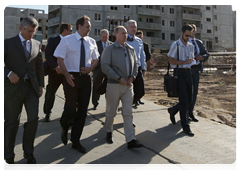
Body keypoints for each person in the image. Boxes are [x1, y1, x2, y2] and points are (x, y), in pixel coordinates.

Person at [54, 15, 99, 153]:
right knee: (71, 108)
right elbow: (59, 60)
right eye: (87, 27)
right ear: (79, 26)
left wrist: (90, 69)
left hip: (85, 79)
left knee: (83, 111)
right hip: (71, 77)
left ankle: (75, 140)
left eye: (90, 27)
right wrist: (67, 75)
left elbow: (96, 59)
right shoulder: (67, 40)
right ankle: (65, 125)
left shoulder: (91, 41)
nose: (89, 29)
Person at [4, 17, 44, 169]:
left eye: (33, 32)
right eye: (29, 31)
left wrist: (40, 84)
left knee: (33, 119)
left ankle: (29, 151)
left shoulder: (36, 43)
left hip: (31, 89)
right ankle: (8, 155)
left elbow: (39, 66)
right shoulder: (7, 43)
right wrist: (8, 73)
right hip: (13, 89)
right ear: (21, 28)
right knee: (11, 122)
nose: (31, 35)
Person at [101, 25, 143, 149]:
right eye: (123, 33)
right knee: (111, 112)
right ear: (116, 35)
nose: (125, 35)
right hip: (114, 85)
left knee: (128, 113)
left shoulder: (130, 49)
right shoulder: (110, 49)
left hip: (128, 87)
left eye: (126, 33)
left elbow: (136, 65)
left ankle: (131, 139)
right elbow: (104, 66)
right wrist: (118, 78)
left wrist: (132, 77)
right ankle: (109, 131)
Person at [167, 24, 210, 123]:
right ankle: (185, 120)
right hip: (183, 70)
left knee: (193, 94)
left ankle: (187, 112)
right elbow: (172, 60)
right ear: (183, 33)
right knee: (184, 96)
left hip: (195, 69)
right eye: (189, 34)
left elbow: (206, 54)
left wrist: (202, 58)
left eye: (193, 31)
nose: (191, 35)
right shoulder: (180, 43)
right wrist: (184, 62)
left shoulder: (198, 43)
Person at [167, 25, 195, 136]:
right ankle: (185, 126)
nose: (188, 37)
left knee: (189, 99)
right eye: (186, 35)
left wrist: (191, 61)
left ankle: (173, 110)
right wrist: (184, 62)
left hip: (188, 73)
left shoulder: (191, 46)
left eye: (190, 35)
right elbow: (171, 60)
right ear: (181, 33)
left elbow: (190, 59)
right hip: (179, 73)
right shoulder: (176, 44)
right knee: (184, 101)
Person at [43, 23, 73, 122]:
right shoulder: (53, 40)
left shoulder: (71, 42)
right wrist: (55, 67)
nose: (72, 32)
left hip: (67, 73)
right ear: (65, 31)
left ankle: (68, 115)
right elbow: (48, 55)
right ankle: (47, 113)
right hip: (55, 73)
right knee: (50, 93)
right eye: (71, 30)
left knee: (69, 94)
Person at [126, 20, 146, 107]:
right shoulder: (123, 40)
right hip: (127, 70)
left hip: (137, 69)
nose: (133, 29)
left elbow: (142, 55)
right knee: (127, 91)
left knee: (141, 91)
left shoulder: (139, 41)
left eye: (135, 27)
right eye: (131, 27)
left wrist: (143, 68)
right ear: (127, 28)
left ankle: (130, 103)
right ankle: (127, 107)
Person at [92, 29, 113, 110]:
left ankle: (109, 104)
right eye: (103, 37)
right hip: (98, 68)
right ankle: (95, 102)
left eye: (106, 37)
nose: (105, 38)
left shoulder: (111, 45)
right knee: (96, 85)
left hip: (109, 68)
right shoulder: (96, 44)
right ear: (100, 36)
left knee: (109, 86)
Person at [135, 30, 152, 105]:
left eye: (140, 36)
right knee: (136, 83)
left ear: (142, 37)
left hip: (143, 65)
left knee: (141, 84)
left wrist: (143, 60)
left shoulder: (145, 45)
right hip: (136, 66)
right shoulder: (134, 44)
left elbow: (148, 55)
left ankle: (139, 99)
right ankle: (135, 100)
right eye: (137, 36)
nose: (139, 38)